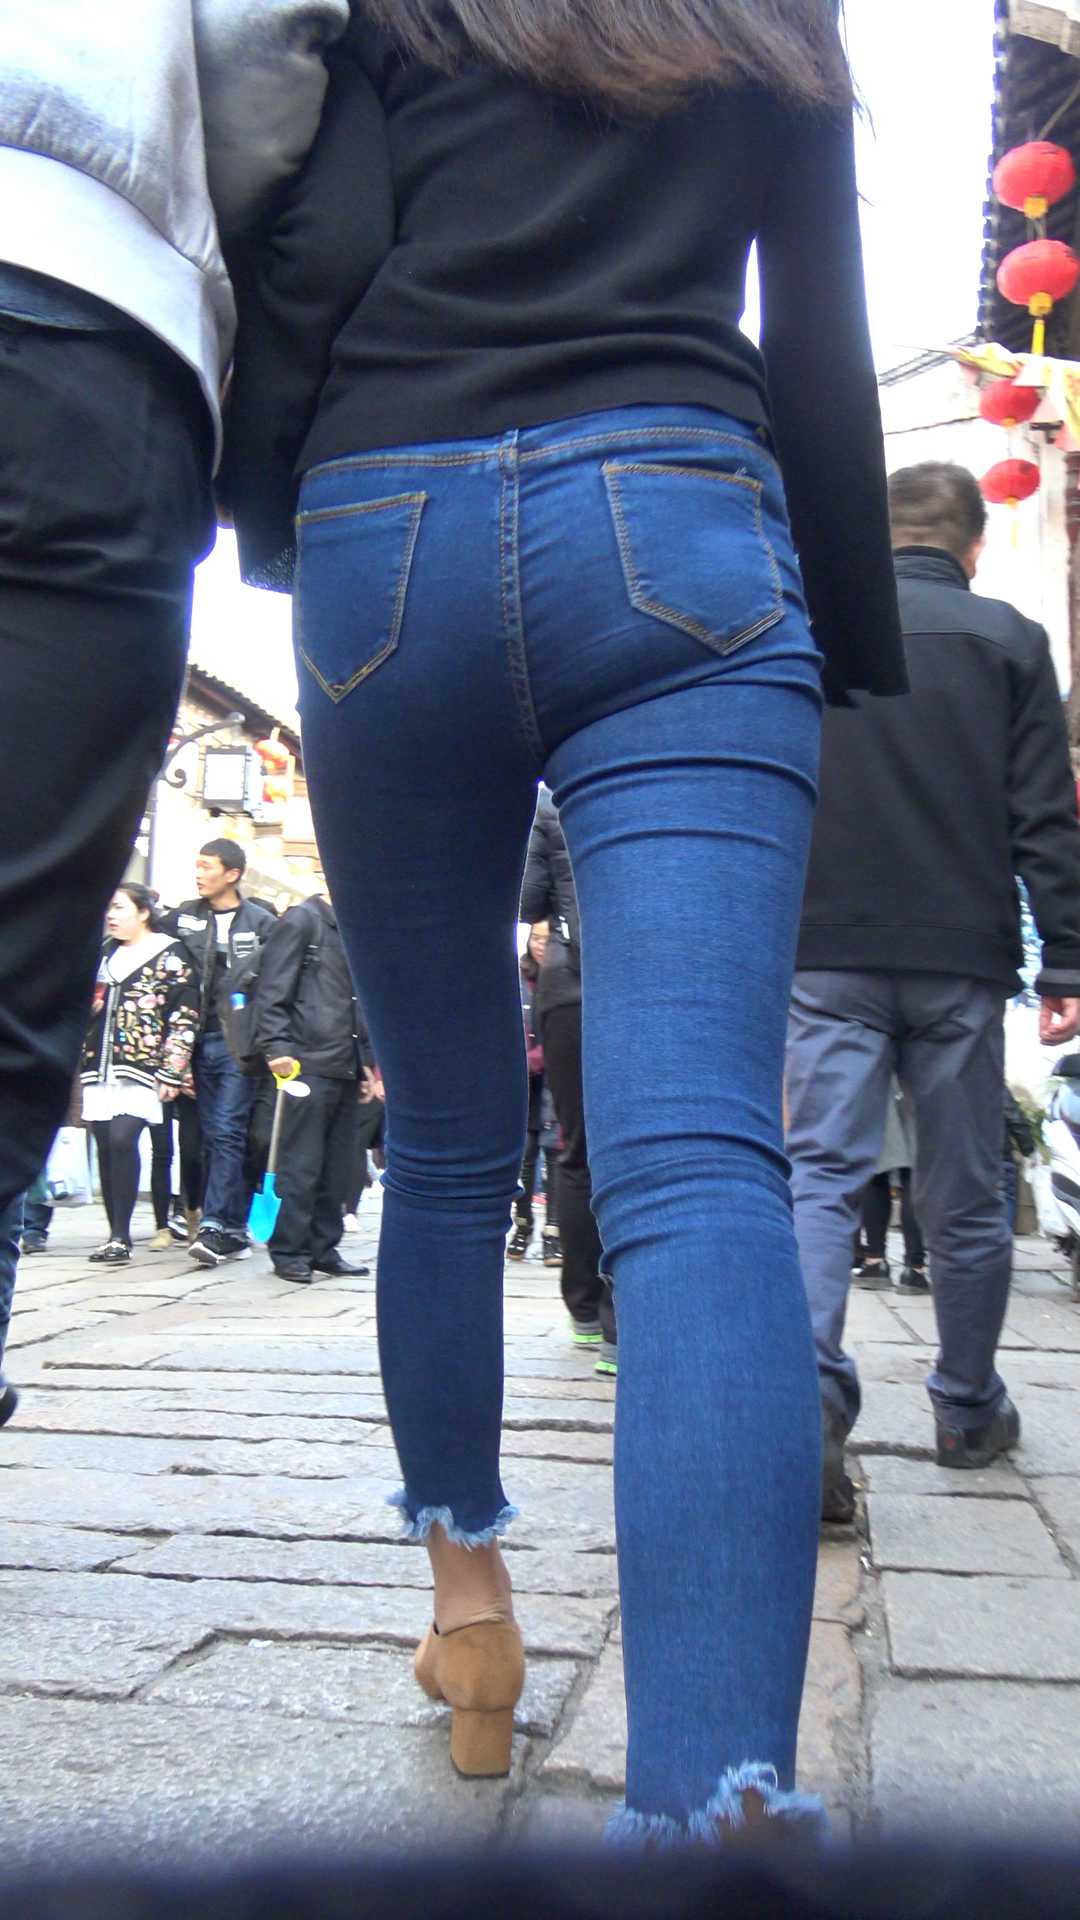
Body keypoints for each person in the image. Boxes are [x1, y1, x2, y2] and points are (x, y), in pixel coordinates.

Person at [227, 0, 905, 1840]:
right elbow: (818, 321)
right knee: (700, 1168)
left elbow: (320, 244)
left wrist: (282, 512)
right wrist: (846, 627)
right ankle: (716, 1814)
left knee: (448, 1142)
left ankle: (470, 1616)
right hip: (680, 507)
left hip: (390, 515)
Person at [786, 460, 1080, 1523]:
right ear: (975, 546)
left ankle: (812, 1399)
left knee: (820, 1175)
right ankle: (965, 1407)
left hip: (825, 949)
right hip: (960, 954)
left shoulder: (810, 633)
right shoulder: (1010, 641)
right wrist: (1067, 961)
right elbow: (1044, 813)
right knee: (963, 1192)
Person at [520, 791, 610, 1350]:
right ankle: (626, 1314)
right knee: (636, 1150)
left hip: (567, 989)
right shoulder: (653, 774)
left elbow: (527, 899)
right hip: (643, 981)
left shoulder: (551, 803)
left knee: (576, 1151)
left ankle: (585, 1310)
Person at [250, 895, 373, 1284]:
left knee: (338, 1166)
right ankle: (289, 1249)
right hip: (304, 1061)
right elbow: (273, 988)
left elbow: (358, 1002)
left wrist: (366, 1063)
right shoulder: (302, 920)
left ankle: (323, 1247)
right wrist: (277, 1047)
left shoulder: (354, 926)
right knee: (300, 1163)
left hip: (344, 1062)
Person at [166, 842, 275, 1267]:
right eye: (196, 865)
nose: (199, 874)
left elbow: (277, 984)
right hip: (195, 1042)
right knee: (212, 1136)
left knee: (229, 1130)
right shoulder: (182, 918)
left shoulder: (262, 923)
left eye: (206, 866)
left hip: (241, 1047)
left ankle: (213, 1224)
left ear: (232, 874)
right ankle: (231, 1227)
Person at [80, 884, 199, 1264]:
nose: (111, 916)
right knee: (104, 1145)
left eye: (119, 908)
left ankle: (121, 1235)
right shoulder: (104, 953)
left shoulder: (171, 953)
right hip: (98, 1063)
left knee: (122, 1138)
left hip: (143, 1065)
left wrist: (173, 1069)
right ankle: (115, 1233)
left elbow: (184, 1016)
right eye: (109, 909)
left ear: (143, 912)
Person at [508, 922, 560, 1262]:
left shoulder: (566, 976)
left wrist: (537, 1057)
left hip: (557, 1079)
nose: (540, 945)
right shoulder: (518, 979)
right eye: (536, 938)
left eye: (546, 938)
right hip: (524, 1082)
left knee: (555, 1153)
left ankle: (553, 1231)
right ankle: (523, 1224)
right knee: (525, 1156)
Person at [852, 1081, 926, 1293]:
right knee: (916, 1171)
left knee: (876, 1170)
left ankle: (875, 1262)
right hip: (919, 1082)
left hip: (879, 1083)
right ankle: (915, 1270)